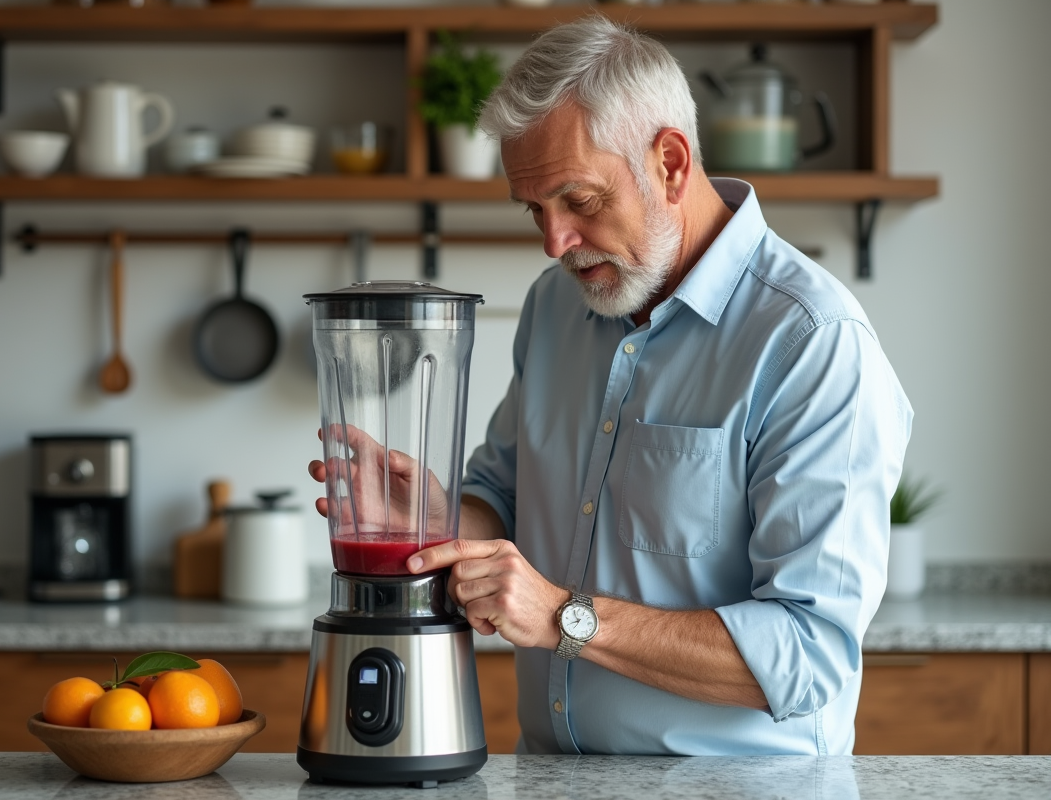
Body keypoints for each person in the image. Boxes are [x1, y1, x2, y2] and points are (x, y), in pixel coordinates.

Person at [309, 16, 911, 756]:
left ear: (670, 163)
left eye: (580, 202)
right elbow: (502, 495)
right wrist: (439, 526)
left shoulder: (812, 343)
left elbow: (808, 651)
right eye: (536, 210)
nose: (554, 242)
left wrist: (566, 617)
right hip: (554, 775)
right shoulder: (555, 305)